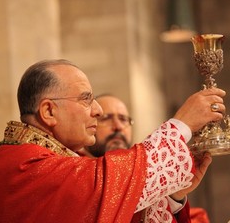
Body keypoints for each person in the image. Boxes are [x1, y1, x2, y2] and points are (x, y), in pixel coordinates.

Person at [0, 59, 226, 223]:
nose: (97, 110)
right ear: (49, 111)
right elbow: (107, 181)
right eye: (86, 100)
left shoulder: (42, 156)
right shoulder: (22, 165)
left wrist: (174, 196)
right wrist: (181, 124)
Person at [86, 94, 211, 222]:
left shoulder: (143, 174)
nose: (118, 126)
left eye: (123, 119)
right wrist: (182, 124)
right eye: (106, 118)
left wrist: (174, 196)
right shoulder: (82, 173)